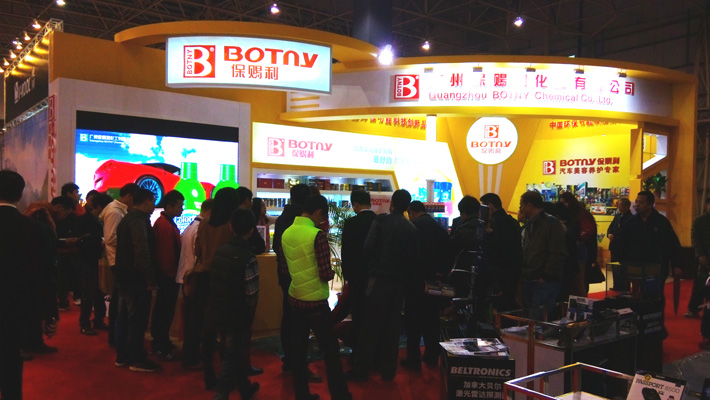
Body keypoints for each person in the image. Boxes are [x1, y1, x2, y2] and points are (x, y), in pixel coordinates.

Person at [283, 195, 353, 400]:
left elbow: (285, 269)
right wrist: (331, 274)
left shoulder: (287, 232)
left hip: (295, 297)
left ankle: (302, 394)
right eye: (323, 216)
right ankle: (339, 394)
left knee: (298, 350)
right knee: (330, 350)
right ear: (318, 212)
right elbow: (324, 273)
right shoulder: (317, 235)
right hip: (316, 302)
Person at [346, 189, 419, 382]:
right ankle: (388, 370)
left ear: (391, 203)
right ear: (407, 207)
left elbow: (368, 247)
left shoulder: (380, 221)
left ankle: (361, 368)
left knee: (370, 326)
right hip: (399, 282)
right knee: (392, 328)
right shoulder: (411, 228)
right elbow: (413, 259)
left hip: (379, 279)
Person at [1, 170, 58, 399]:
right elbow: (45, 274)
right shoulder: (36, 230)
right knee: (11, 360)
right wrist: (50, 312)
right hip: (16, 307)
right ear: (20, 194)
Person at [207, 208, 262, 400]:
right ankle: (220, 394)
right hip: (237, 315)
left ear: (231, 227)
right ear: (252, 230)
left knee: (232, 352)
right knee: (231, 356)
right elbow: (251, 294)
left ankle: (244, 387)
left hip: (218, 310)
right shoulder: (248, 257)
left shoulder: (221, 251)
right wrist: (249, 315)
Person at [194, 187, 242, 388]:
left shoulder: (204, 223)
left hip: (205, 279)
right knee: (229, 332)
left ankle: (208, 375)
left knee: (208, 331)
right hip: (226, 280)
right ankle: (227, 377)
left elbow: (197, 250)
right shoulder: (231, 225)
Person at [273, 183, 321, 381]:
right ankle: (299, 364)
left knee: (288, 317)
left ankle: (289, 360)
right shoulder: (303, 222)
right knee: (301, 323)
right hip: (303, 277)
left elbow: (277, 247)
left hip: (285, 275)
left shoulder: (282, 219)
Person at [620, 190, 681, 337]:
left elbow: (673, 244)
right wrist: (623, 264)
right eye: (636, 201)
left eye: (641, 202)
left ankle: (656, 325)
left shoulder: (661, 222)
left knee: (655, 296)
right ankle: (636, 326)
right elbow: (623, 244)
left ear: (650, 205)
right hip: (635, 267)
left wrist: (676, 265)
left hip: (656, 267)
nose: (637, 205)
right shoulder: (630, 223)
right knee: (636, 298)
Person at [113, 188, 162, 372]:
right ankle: (136, 359)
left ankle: (123, 356)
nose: (154, 206)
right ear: (147, 200)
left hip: (124, 276)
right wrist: (150, 278)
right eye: (153, 201)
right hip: (135, 279)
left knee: (124, 318)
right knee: (136, 319)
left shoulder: (128, 219)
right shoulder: (138, 221)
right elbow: (141, 251)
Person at [401, 200, 452, 370]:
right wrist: (440, 275)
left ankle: (413, 359)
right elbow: (448, 254)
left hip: (416, 282)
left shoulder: (413, 228)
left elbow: (411, 256)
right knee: (432, 320)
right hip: (435, 282)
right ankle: (432, 355)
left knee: (413, 322)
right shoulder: (439, 228)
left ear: (412, 212)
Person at [518, 191, 568, 321]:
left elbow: (558, 252)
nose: (521, 209)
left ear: (529, 205)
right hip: (530, 277)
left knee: (536, 320)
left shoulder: (550, 224)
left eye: (521, 205)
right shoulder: (530, 224)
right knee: (531, 320)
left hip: (543, 280)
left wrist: (546, 276)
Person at [100, 183, 140, 347]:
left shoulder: (118, 210)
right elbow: (111, 238)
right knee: (119, 303)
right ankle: (116, 338)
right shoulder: (115, 212)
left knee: (119, 302)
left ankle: (116, 337)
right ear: (129, 196)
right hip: (117, 260)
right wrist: (130, 242)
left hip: (119, 259)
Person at [339, 190, 376, 362]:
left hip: (356, 277)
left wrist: (347, 276)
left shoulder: (351, 223)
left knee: (358, 315)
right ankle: (373, 353)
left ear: (355, 204)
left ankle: (358, 354)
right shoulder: (379, 221)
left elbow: (346, 252)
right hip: (375, 278)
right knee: (373, 316)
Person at [179, 198, 213, 370]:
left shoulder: (190, 226)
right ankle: (191, 357)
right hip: (194, 278)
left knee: (191, 320)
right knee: (195, 321)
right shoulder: (200, 228)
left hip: (186, 277)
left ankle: (190, 355)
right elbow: (197, 255)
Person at [150, 190, 185, 360]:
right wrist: (171, 274)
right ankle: (161, 345)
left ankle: (162, 342)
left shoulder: (166, 223)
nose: (182, 209)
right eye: (179, 206)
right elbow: (165, 256)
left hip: (168, 275)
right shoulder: (164, 225)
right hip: (167, 277)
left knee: (164, 311)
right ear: (169, 207)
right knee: (164, 311)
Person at [75, 192, 114, 335]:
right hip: (88, 261)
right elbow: (81, 243)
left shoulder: (102, 220)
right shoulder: (84, 221)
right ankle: (84, 323)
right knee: (88, 293)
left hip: (100, 261)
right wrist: (99, 243)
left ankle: (99, 320)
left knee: (100, 292)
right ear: (99, 207)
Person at [480, 193, 523, 313]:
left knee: (499, 306)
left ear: (490, 206)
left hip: (499, 272)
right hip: (513, 271)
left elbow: (493, 249)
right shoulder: (512, 222)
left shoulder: (494, 224)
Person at [558, 192, 597, 297]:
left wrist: (576, 239)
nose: (563, 205)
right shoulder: (576, 213)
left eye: (564, 202)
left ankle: (581, 302)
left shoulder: (579, 214)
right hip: (575, 248)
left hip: (578, 249)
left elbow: (587, 231)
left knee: (578, 280)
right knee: (575, 281)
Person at [52, 195, 83, 309]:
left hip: (69, 251)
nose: (65, 215)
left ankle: (68, 298)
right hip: (59, 252)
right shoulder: (47, 217)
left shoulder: (72, 219)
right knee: (62, 277)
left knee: (67, 276)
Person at [687, 197, 710, 318]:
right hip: (704, 256)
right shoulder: (699, 221)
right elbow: (695, 239)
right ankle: (693, 308)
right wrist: (701, 254)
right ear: (706, 205)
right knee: (700, 283)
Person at [607, 198, 633, 291]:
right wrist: (609, 234)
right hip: (614, 245)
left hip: (623, 246)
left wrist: (615, 235)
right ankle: (616, 285)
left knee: (623, 268)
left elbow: (625, 231)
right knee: (615, 266)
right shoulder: (617, 216)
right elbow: (611, 227)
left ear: (627, 206)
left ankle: (624, 286)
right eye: (618, 204)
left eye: (621, 205)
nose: (619, 207)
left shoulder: (630, 218)